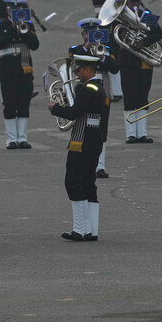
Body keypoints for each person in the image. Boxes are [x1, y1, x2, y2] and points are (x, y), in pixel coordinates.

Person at [49, 54, 107, 241]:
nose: (76, 74)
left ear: (88, 70)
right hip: (93, 138)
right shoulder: (97, 87)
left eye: (79, 70)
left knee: (73, 181)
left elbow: (74, 112)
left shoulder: (87, 88)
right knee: (88, 183)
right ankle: (91, 230)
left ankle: (80, 230)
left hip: (82, 139)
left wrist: (55, 108)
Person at [69, 18, 119, 178]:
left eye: (94, 33)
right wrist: (86, 48)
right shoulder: (76, 49)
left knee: (101, 130)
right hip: (83, 95)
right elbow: (73, 63)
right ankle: (85, 163)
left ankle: (100, 166)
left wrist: (102, 56)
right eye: (87, 34)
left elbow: (115, 68)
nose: (90, 37)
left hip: (101, 96)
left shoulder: (106, 49)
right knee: (82, 128)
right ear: (83, 34)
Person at [115, 0, 162, 144]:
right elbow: (112, 35)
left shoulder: (146, 15)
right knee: (129, 98)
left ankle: (141, 133)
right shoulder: (120, 18)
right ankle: (130, 134)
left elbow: (158, 34)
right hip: (128, 63)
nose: (134, 4)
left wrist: (143, 42)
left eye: (137, 1)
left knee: (142, 98)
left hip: (144, 64)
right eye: (132, 1)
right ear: (127, 1)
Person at [0, 0, 39, 149]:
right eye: (13, 10)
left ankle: (22, 138)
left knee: (24, 103)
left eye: (18, 10)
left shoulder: (29, 24)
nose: (16, 13)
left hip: (24, 68)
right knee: (10, 103)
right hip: (8, 69)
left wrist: (25, 29)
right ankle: (11, 139)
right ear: (7, 11)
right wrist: (13, 28)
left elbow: (35, 45)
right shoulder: (1, 25)